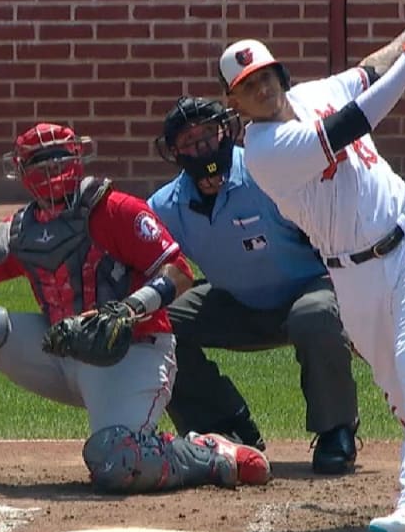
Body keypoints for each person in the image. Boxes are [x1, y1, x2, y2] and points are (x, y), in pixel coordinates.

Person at [0, 122, 270, 494]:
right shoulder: (24, 230)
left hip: (133, 354)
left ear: (78, 159)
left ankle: (208, 453)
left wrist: (127, 309)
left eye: (57, 160)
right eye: (40, 164)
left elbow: (178, 271)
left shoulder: (115, 209)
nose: (50, 172)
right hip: (62, 351)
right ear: (21, 171)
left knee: (117, 462)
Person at [216, 0, 405, 532]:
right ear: (234, 101)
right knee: (395, 386)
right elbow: (358, 118)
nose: (263, 89)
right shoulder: (265, 151)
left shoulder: (312, 94)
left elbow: (369, 70)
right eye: (248, 87)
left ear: (278, 72)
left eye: (266, 76)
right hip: (352, 277)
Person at [147, 96, 360, 475]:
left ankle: (336, 429)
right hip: (235, 301)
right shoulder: (166, 205)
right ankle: (225, 426)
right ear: (174, 152)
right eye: (189, 141)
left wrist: (359, 304)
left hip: (307, 290)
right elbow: (144, 260)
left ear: (226, 132)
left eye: (208, 136)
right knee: (155, 326)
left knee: (315, 314)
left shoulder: (269, 175)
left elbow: (335, 232)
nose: (202, 149)